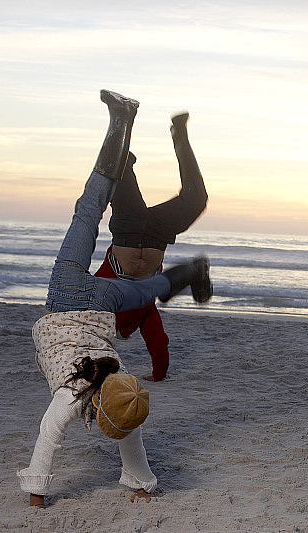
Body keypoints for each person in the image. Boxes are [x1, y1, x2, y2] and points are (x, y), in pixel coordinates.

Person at [17, 90, 213, 508]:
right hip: (67, 293)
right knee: (89, 210)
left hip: (102, 299)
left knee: (149, 288)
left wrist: (144, 481)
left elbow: (125, 433)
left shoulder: (121, 381)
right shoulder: (87, 395)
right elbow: (49, 437)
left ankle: (188, 271)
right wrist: (37, 493)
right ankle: (121, 118)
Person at [94, 111, 208, 382]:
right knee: (196, 198)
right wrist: (158, 375)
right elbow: (159, 342)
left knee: (119, 171)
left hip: (128, 232)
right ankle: (179, 133)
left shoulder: (99, 305)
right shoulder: (145, 308)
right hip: (157, 234)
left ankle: (124, 135)